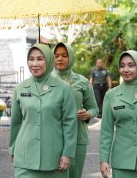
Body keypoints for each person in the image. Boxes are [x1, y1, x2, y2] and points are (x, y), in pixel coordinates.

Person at [9, 44, 77, 178]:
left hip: (55, 159)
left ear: (49, 60)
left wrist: (67, 153)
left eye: (40, 59)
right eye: (31, 59)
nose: (34, 64)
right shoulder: (20, 89)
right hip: (24, 158)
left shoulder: (64, 88)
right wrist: (12, 149)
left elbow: (70, 123)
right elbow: (15, 123)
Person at [100, 50, 137, 178]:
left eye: (131, 65)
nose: (125, 69)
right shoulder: (111, 95)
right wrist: (104, 159)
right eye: (122, 65)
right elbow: (106, 131)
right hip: (121, 163)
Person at [52, 42, 99, 178]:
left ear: (71, 57)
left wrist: (88, 114)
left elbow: (94, 108)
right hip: (52, 136)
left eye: (64, 55)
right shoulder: (46, 81)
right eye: (56, 56)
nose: (59, 59)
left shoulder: (82, 81)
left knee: (73, 175)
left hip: (78, 137)